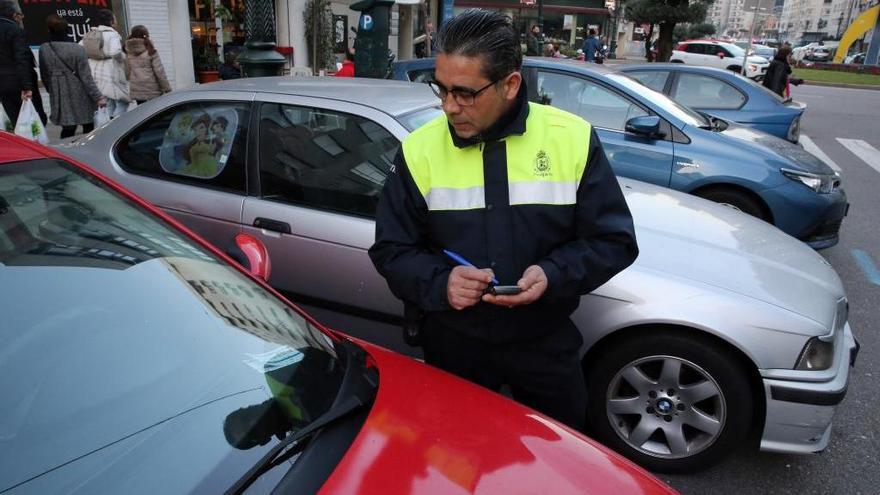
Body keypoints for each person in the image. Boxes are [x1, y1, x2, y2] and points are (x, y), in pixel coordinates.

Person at [369, 9, 638, 430]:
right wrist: (441, 283)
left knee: (559, 460)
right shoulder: (418, 150)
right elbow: (391, 249)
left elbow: (614, 241)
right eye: (440, 89)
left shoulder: (573, 138)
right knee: (458, 459)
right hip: (453, 348)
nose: (449, 107)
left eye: (465, 93)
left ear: (510, 84)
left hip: (545, 345)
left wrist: (552, 274)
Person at [38, 14, 106, 138]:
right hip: (81, 92)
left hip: (59, 92)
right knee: (88, 127)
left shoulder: (44, 48)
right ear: (67, 30)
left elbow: (44, 74)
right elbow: (86, 77)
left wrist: (52, 90)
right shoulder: (78, 49)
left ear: (49, 30)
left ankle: (65, 152)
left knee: (68, 128)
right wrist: (98, 97)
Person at [84, 8, 130, 118]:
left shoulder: (91, 34)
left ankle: (107, 125)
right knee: (123, 102)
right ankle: (117, 125)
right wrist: (122, 58)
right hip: (112, 72)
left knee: (108, 103)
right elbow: (115, 52)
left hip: (96, 72)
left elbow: (81, 48)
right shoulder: (112, 34)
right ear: (110, 21)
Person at [0, 0, 32, 126]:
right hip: (15, 82)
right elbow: (21, 59)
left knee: (13, 118)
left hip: (2, 84)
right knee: (25, 120)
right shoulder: (15, 30)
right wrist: (27, 86)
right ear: (13, 14)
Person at [124, 25, 171, 105]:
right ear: (145, 35)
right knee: (156, 112)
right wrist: (167, 88)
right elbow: (159, 71)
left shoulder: (128, 52)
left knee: (143, 113)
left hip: (137, 90)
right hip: (153, 90)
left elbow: (127, 72)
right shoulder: (151, 51)